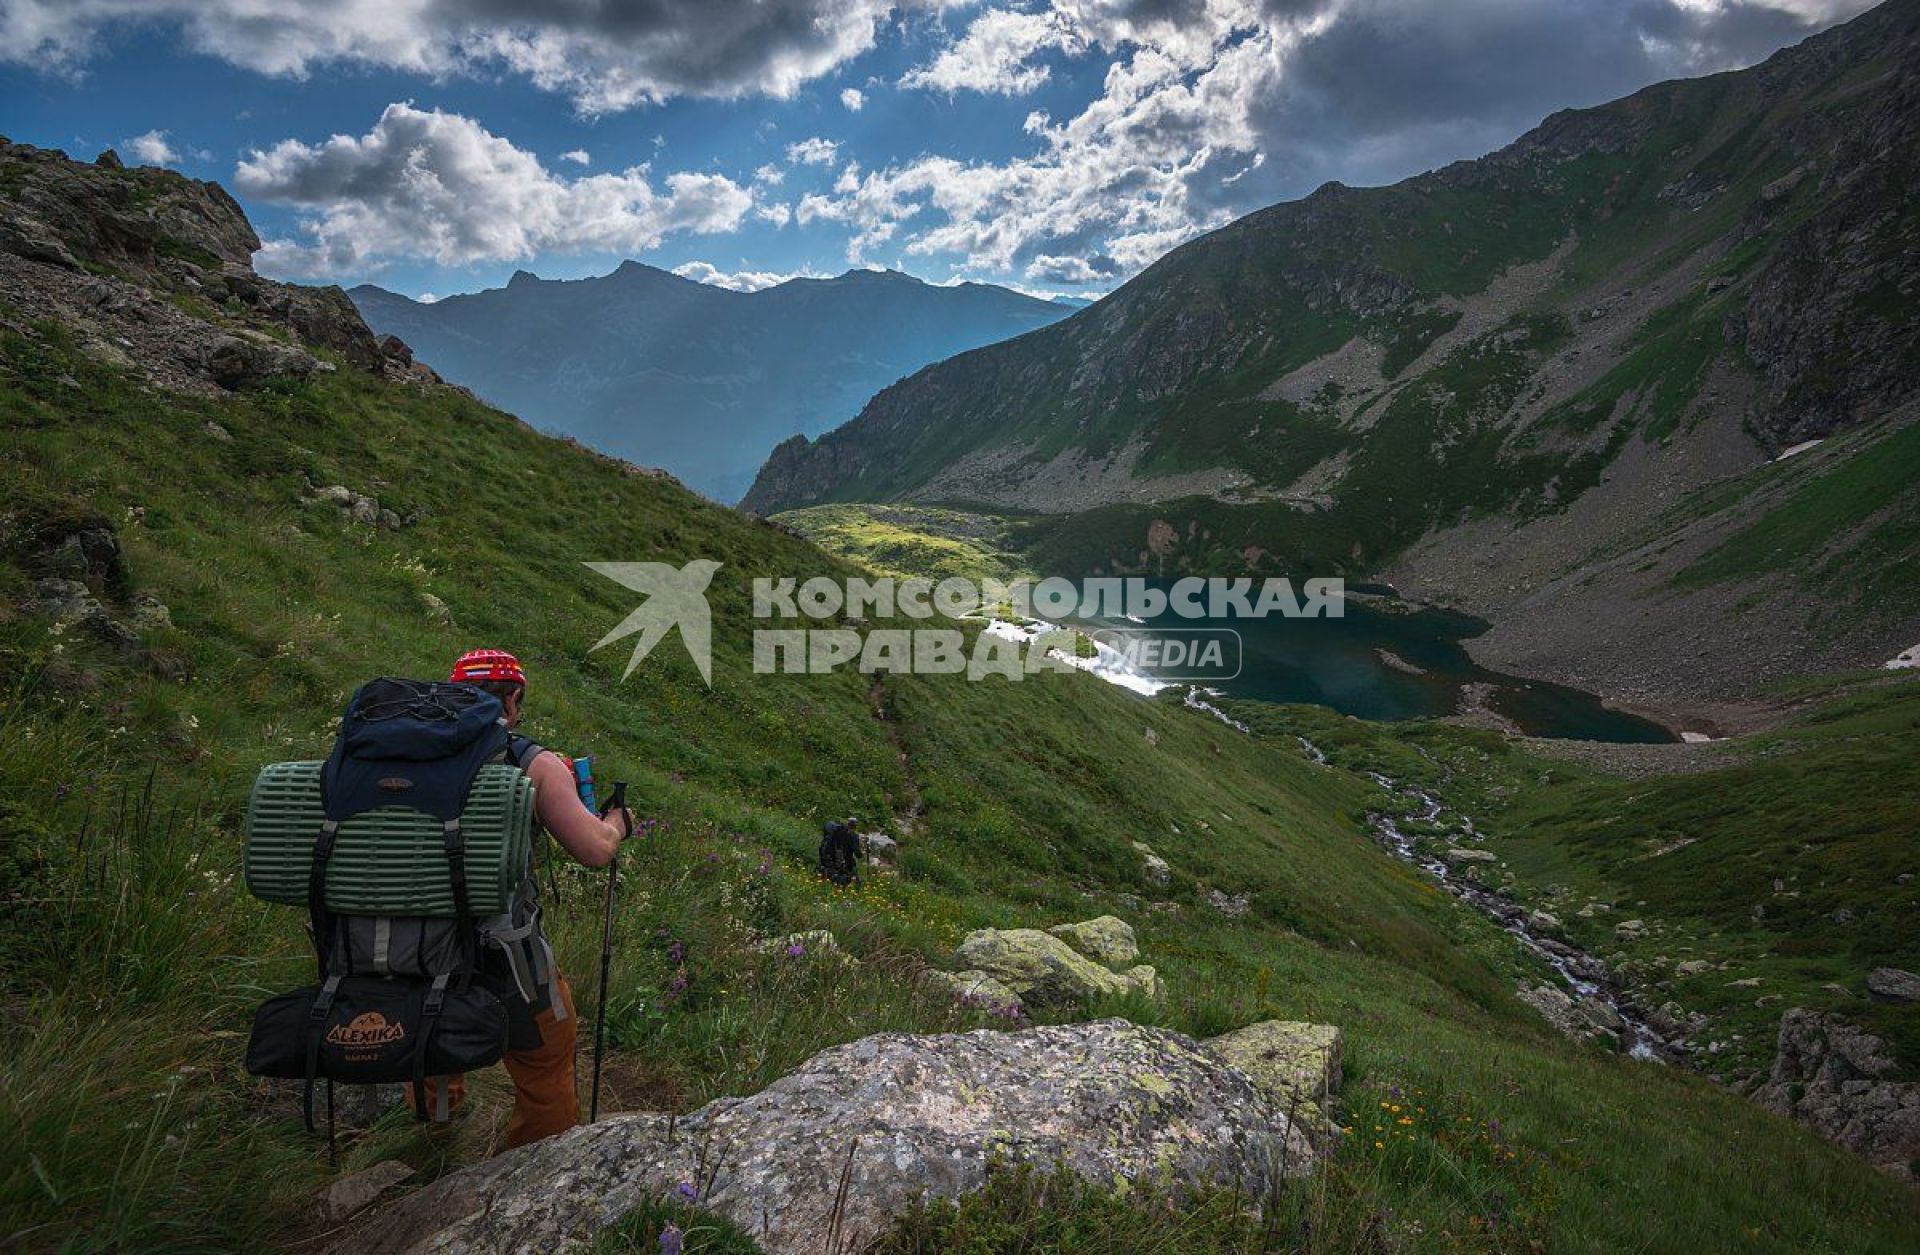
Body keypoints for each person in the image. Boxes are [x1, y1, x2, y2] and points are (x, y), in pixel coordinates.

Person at [413, 648, 634, 1148]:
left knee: (429, 1035)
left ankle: (430, 1139)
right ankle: (535, 1166)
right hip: (505, 954)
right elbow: (595, 851)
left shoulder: (409, 753)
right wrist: (617, 822)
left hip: (411, 943)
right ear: (512, 699)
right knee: (547, 1057)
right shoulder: (530, 762)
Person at [818, 815, 863, 886]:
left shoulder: (831, 839)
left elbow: (822, 853)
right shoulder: (850, 836)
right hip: (841, 864)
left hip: (831, 864)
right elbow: (857, 853)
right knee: (848, 877)